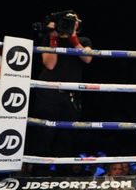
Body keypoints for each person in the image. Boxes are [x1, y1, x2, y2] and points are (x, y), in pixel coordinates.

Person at [26, 10, 93, 166]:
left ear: (78, 23)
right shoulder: (49, 38)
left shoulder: (84, 40)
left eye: (74, 20)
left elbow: (88, 58)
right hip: (47, 93)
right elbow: (50, 64)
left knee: (67, 136)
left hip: (70, 95)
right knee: (43, 133)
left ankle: (65, 173)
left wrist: (74, 38)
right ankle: (38, 173)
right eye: (67, 20)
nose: (70, 23)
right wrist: (53, 37)